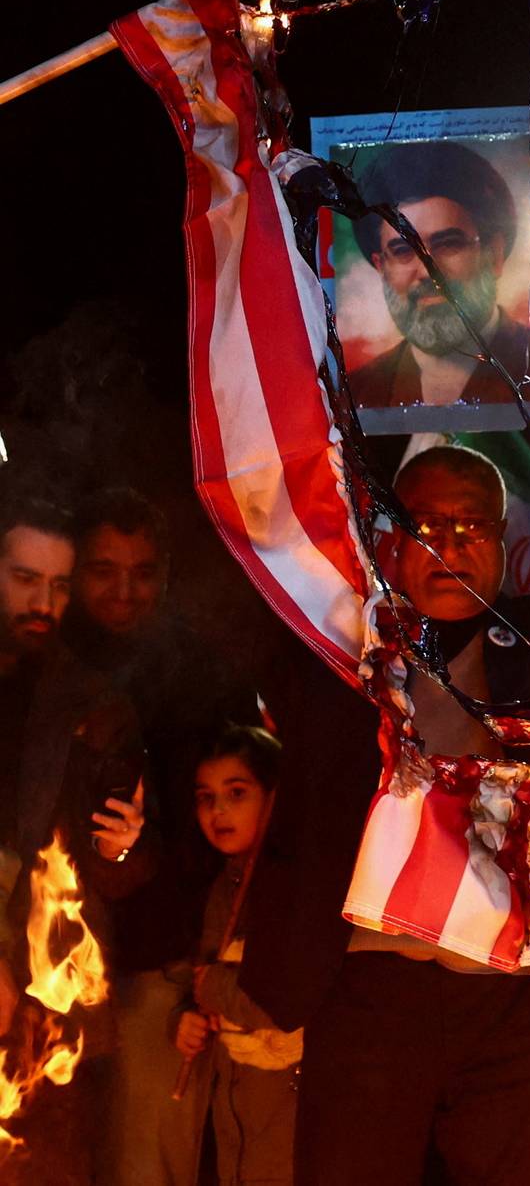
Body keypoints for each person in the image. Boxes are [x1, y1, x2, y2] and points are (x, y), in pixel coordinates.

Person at [241, 391, 530, 1185]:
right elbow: (270, 540)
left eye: (470, 525)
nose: (446, 545)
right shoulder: (341, 646)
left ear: (507, 542)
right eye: (423, 526)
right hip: (376, 989)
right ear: (391, 540)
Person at [63, 488, 256, 1186]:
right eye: (104, 569)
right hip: (49, 969)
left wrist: (145, 860)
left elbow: (232, 825)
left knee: (144, 1165)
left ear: (167, 571)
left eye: (142, 572)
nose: (123, 590)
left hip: (157, 966)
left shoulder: (201, 675)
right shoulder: (47, 666)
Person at [0, 490, 148, 1183]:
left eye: (59, 585)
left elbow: (114, 870)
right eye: (25, 579)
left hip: (53, 1005)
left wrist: (121, 848)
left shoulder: (96, 701)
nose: (43, 602)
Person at [171, 725, 300, 1186]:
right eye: (206, 797)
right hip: (235, 1101)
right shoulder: (221, 888)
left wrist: (214, 987)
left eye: (237, 792)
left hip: (288, 1102)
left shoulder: (294, 888)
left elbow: (284, 997)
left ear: (273, 796)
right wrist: (190, 1017)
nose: (218, 811)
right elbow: (206, 983)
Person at [348, 139, 530, 408]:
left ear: (494, 255)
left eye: (448, 244)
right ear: (382, 268)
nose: (427, 272)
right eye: (403, 251)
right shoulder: (357, 393)